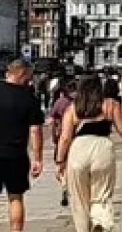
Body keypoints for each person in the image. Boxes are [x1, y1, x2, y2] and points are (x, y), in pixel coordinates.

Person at [0, 60, 45, 232]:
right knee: (15, 198)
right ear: (21, 74)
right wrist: (38, 159)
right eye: (29, 76)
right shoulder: (29, 98)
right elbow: (35, 131)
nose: (30, 80)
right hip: (16, 156)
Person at [56, 76, 122, 232]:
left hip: (79, 149)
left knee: (80, 200)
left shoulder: (73, 108)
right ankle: (100, 223)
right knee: (101, 197)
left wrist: (60, 162)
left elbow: (64, 138)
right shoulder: (110, 105)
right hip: (103, 148)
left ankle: (83, 229)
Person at [47, 79, 77, 207]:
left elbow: (52, 121)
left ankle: (65, 185)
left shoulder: (59, 102)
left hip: (62, 136)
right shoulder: (79, 103)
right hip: (77, 137)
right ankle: (72, 187)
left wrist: (53, 135)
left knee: (61, 163)